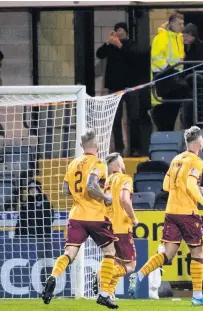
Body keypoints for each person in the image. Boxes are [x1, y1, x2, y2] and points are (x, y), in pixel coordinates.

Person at [130, 126, 203, 307]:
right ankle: (198, 296)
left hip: (171, 211)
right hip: (187, 213)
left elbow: (166, 185)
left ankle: (140, 274)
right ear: (199, 142)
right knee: (198, 252)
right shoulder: (196, 161)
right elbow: (191, 184)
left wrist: (184, 189)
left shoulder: (177, 159)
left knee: (167, 254)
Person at [41, 129, 117, 309]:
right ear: (97, 145)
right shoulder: (99, 163)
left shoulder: (73, 163)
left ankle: (53, 277)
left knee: (69, 253)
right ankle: (104, 294)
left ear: (81, 145)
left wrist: (79, 195)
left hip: (76, 215)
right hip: (96, 216)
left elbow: (65, 190)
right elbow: (91, 185)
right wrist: (105, 197)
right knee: (110, 252)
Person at [93, 153, 138, 298]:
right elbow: (124, 199)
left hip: (107, 227)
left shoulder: (107, 182)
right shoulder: (125, 179)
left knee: (116, 261)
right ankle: (101, 274)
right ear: (118, 164)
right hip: (121, 228)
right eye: (123, 161)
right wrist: (134, 218)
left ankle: (109, 293)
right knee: (131, 266)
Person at [96, 22, 144, 156]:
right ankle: (119, 148)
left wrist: (120, 45)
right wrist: (107, 43)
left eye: (121, 29)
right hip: (115, 87)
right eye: (117, 30)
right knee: (116, 119)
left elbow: (134, 57)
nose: (119, 32)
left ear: (126, 31)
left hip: (131, 86)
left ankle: (136, 148)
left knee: (134, 117)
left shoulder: (131, 44)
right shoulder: (110, 46)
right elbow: (99, 54)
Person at [150, 12, 186, 132]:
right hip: (165, 78)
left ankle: (168, 134)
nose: (182, 26)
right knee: (166, 114)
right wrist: (170, 69)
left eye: (182, 23)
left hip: (176, 79)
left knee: (173, 111)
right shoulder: (161, 38)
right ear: (171, 23)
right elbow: (156, 58)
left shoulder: (179, 38)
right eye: (179, 23)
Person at [183, 23, 203, 129]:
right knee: (189, 109)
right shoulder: (185, 47)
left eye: (186, 36)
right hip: (188, 83)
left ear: (192, 35)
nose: (184, 38)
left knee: (201, 108)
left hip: (200, 82)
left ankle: (202, 127)